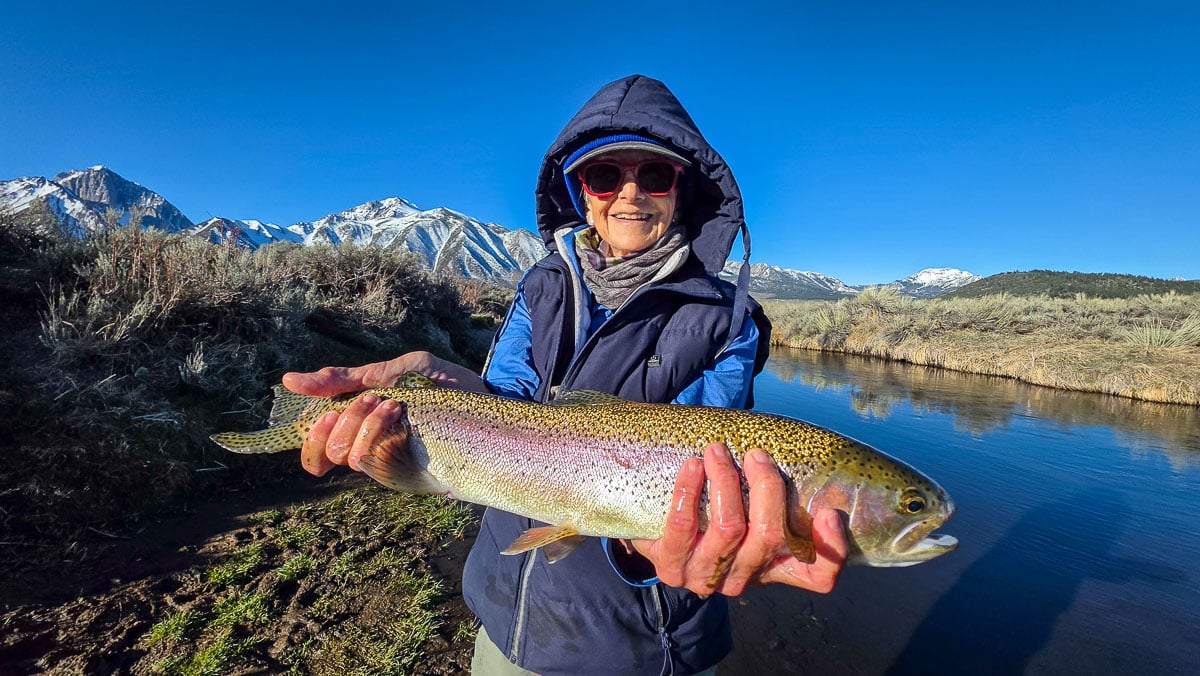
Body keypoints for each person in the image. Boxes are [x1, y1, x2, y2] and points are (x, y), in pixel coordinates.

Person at [284, 74, 848, 675]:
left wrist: (645, 539)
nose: (629, 193)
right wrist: (435, 403)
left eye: (655, 175)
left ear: (683, 191)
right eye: (605, 175)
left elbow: (705, 453)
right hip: (508, 617)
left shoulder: (728, 321)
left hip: (644, 639)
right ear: (580, 192)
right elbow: (508, 405)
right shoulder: (541, 287)